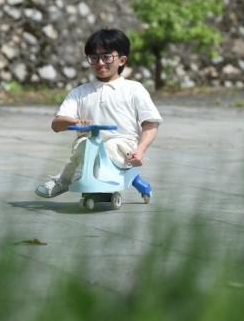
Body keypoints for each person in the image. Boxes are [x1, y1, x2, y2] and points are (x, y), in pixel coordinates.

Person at [35, 28, 163, 198]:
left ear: (122, 60)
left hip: (123, 144)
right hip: (88, 144)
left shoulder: (134, 89)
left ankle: (70, 177)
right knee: (87, 146)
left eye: (106, 56)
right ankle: (67, 179)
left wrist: (141, 149)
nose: (100, 63)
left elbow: (150, 122)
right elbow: (57, 124)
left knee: (106, 147)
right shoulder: (80, 93)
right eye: (94, 57)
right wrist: (74, 122)